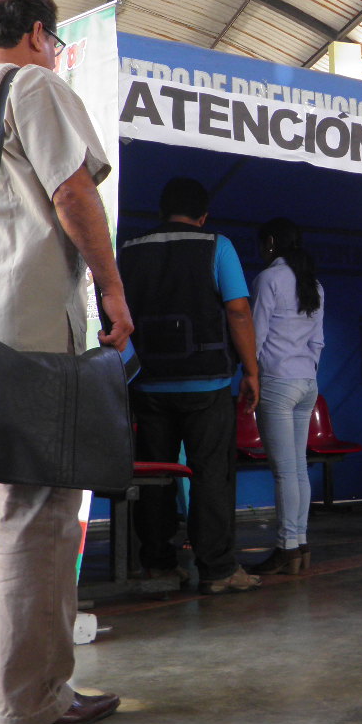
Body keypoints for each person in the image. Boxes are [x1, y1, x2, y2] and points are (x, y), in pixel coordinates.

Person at [0, 0, 131, 724]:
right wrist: (111, 289)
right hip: (26, 333)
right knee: (38, 513)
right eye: (57, 44)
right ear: (40, 35)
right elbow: (73, 194)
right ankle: (35, 700)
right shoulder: (36, 85)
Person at [118, 177, 262, 594]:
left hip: (147, 384)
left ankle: (159, 564)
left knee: (153, 476)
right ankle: (216, 569)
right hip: (207, 383)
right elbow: (237, 311)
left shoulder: (128, 250)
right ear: (203, 216)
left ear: (162, 211)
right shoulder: (218, 245)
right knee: (211, 474)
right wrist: (251, 371)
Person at [249, 218, 324, 576]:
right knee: (298, 468)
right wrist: (307, 370)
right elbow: (318, 341)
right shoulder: (314, 285)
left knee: (283, 473)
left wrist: (251, 377)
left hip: (277, 383)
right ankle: (300, 541)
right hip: (307, 383)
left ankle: (285, 547)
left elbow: (257, 334)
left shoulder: (268, 279)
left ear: (272, 243)